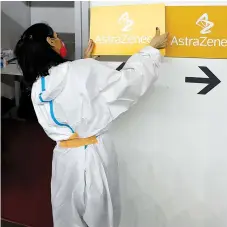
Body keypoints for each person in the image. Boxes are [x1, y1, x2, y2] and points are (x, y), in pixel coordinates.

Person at [14, 23, 168, 227]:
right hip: (93, 159)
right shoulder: (80, 71)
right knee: (101, 217)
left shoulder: (37, 87)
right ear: (50, 41)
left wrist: (84, 65)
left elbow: (69, 96)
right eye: (57, 36)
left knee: (66, 217)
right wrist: (150, 51)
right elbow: (127, 83)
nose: (60, 40)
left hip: (64, 160)